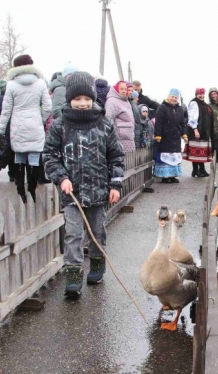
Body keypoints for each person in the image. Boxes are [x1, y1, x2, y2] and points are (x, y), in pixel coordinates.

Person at [43, 71, 125, 297]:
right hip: (72, 193)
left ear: (93, 99)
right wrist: (61, 177)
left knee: (97, 232)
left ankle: (97, 265)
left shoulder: (104, 124)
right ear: (69, 99)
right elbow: (50, 155)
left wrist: (115, 185)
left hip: (99, 192)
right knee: (73, 235)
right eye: (77, 99)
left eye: (86, 99)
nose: (82, 103)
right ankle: (73, 276)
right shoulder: (60, 126)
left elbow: (116, 157)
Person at [0, 54, 52, 204]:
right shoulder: (41, 83)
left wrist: (0, 130)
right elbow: (48, 107)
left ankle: (21, 191)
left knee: (20, 158)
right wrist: (39, 119)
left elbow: (6, 110)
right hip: (35, 125)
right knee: (34, 159)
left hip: (18, 126)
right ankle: (32, 190)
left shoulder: (11, 85)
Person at [153, 88, 188, 183]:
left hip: (175, 137)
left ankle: (173, 175)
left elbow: (182, 123)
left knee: (175, 157)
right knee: (166, 156)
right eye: (172, 97)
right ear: (168, 97)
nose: (174, 99)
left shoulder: (180, 109)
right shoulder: (162, 107)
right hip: (165, 137)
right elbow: (158, 123)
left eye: (176, 97)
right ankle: (165, 176)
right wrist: (158, 135)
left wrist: (184, 134)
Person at [184, 88, 214, 178]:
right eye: (199, 94)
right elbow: (192, 118)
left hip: (203, 131)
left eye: (202, 94)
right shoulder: (194, 103)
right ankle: (195, 170)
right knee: (196, 152)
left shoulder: (204, 104)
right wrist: (195, 129)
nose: (201, 95)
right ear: (196, 94)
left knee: (201, 152)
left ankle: (202, 169)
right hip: (196, 131)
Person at [105, 80, 135, 152]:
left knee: (129, 160)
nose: (124, 91)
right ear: (116, 89)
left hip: (128, 137)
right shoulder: (112, 101)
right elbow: (108, 119)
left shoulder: (125, 101)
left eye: (125, 89)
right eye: (121, 89)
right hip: (119, 138)